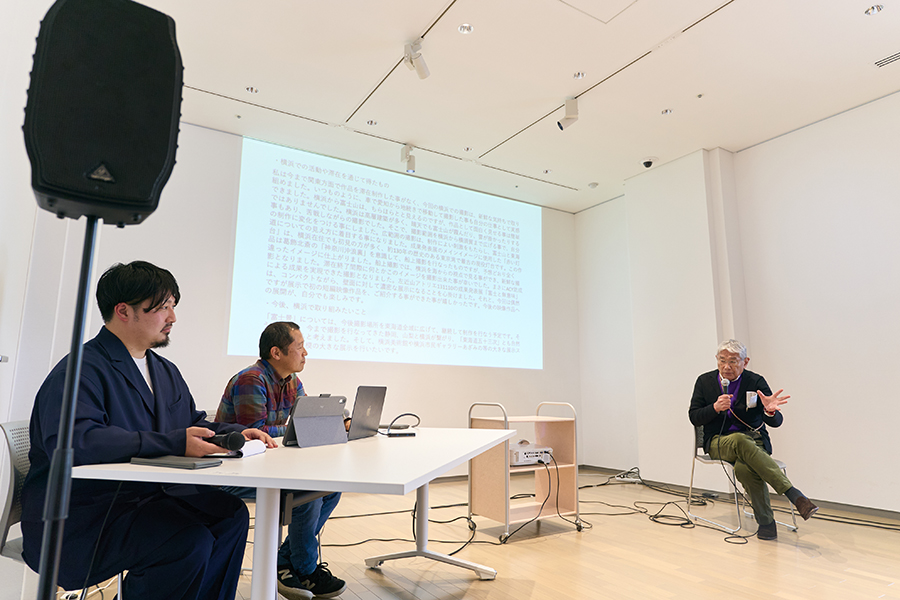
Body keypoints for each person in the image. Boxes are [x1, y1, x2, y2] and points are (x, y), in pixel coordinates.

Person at [21, 260, 274, 599]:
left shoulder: (164, 370)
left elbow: (190, 424)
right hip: (84, 517)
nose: (173, 317)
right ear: (123, 311)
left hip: (143, 500)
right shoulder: (80, 370)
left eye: (173, 306)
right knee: (188, 541)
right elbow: (77, 442)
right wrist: (174, 442)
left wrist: (234, 433)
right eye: (162, 307)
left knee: (230, 515)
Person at [216, 322, 346, 599]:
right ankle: (305, 569)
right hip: (233, 472)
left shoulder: (292, 381)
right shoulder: (251, 379)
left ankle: (285, 562)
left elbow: (304, 421)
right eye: (300, 347)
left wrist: (337, 421)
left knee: (330, 489)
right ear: (276, 352)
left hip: (269, 466)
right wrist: (298, 428)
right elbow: (255, 433)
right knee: (307, 495)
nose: (305, 353)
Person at [688, 339, 818, 540]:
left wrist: (769, 411)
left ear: (745, 362)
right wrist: (714, 408)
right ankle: (794, 494)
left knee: (744, 469)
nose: (726, 366)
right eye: (722, 360)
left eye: (733, 361)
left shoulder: (755, 382)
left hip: (754, 440)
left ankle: (767, 524)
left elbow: (776, 422)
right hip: (718, 442)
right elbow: (694, 417)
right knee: (739, 439)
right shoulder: (704, 381)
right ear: (716, 359)